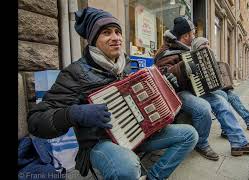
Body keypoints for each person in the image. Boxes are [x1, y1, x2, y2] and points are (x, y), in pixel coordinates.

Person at [27, 7, 199, 180]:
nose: (116, 38)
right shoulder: (75, 73)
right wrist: (73, 114)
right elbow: (36, 121)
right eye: (106, 33)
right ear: (93, 40)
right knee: (128, 166)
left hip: (138, 132)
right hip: (99, 142)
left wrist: (166, 83)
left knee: (189, 135)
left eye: (118, 32)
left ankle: (154, 177)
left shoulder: (126, 64)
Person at [154, 16, 249, 159]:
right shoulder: (166, 51)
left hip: (194, 89)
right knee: (203, 107)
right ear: (186, 35)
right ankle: (201, 144)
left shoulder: (187, 48)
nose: (194, 36)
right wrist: (184, 67)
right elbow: (163, 75)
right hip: (178, 92)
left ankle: (239, 142)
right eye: (193, 33)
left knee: (222, 102)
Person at [191, 37, 249, 138]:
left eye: (208, 44)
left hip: (213, 90)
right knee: (223, 96)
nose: (207, 46)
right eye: (204, 44)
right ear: (198, 47)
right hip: (202, 93)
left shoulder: (211, 58)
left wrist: (224, 84)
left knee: (232, 95)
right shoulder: (193, 60)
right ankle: (227, 128)